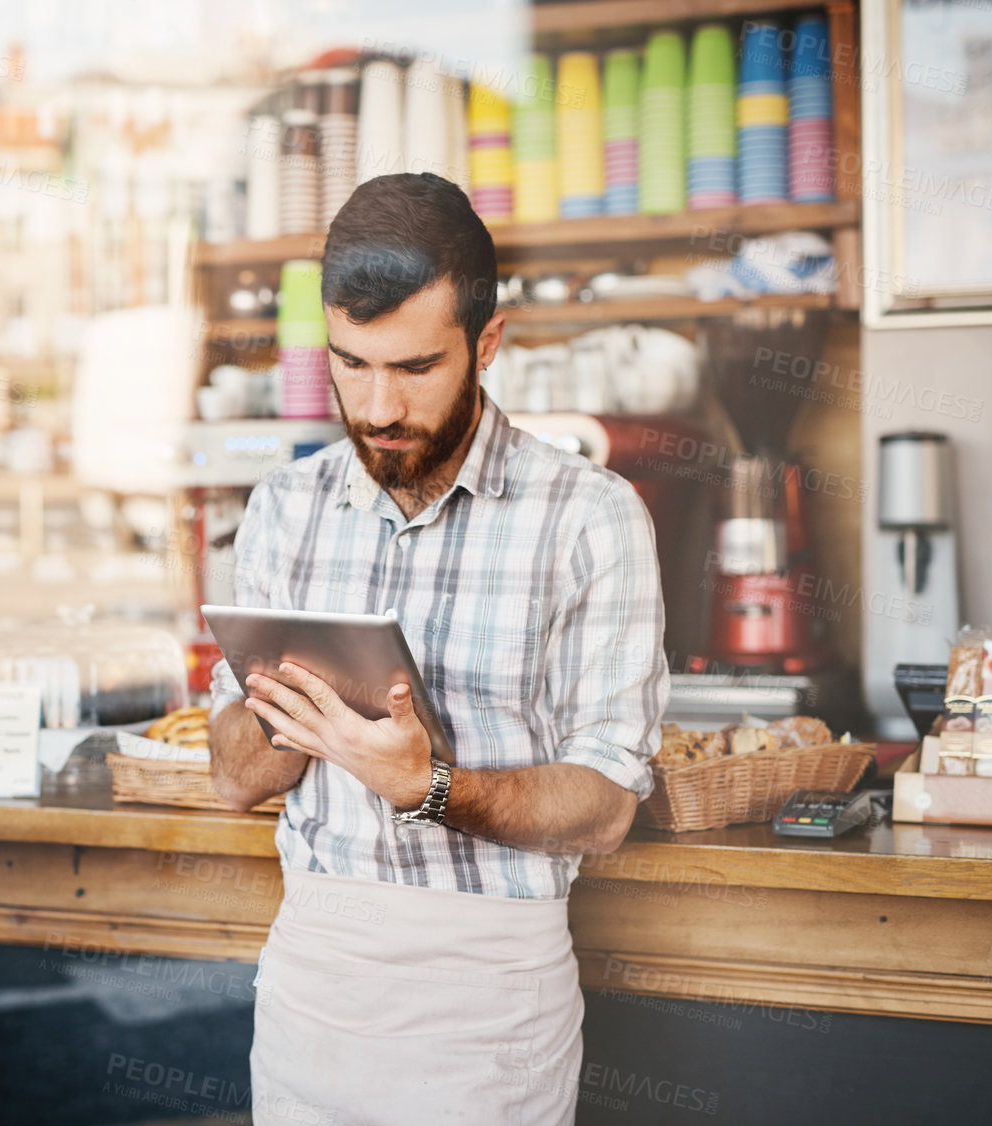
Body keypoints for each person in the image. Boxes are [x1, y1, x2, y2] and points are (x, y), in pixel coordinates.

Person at [206, 172, 670, 1124]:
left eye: (414, 368)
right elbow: (234, 779)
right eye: (350, 363)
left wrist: (427, 787)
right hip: (311, 979)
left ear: (486, 342)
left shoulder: (590, 518)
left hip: (489, 998)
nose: (377, 406)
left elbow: (603, 808)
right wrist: (305, 715)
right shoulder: (285, 510)